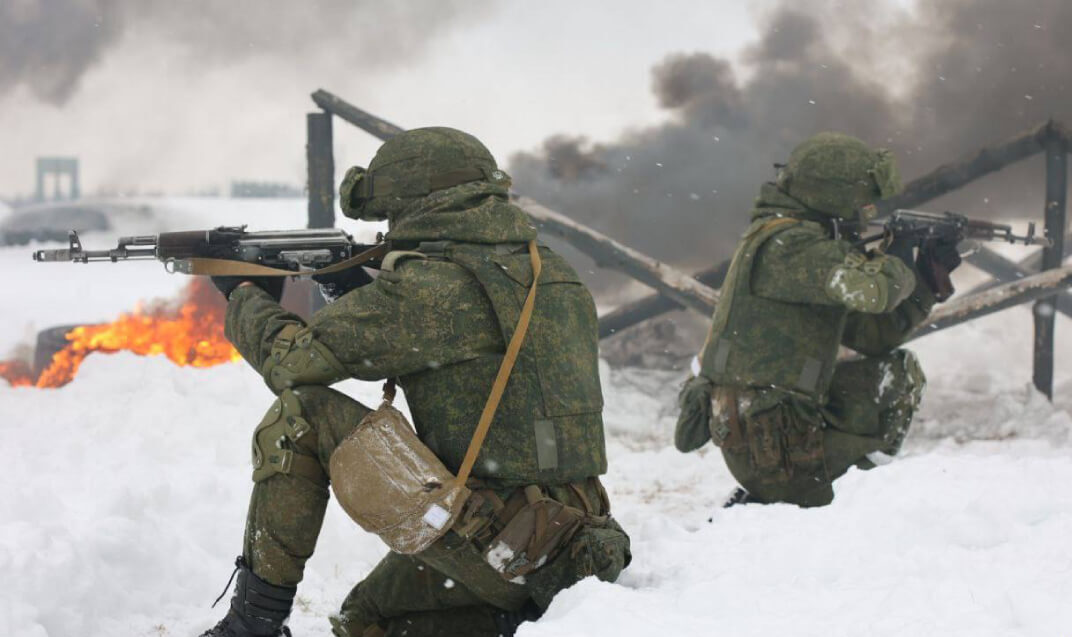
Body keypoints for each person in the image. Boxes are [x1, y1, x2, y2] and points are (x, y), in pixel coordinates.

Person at [204, 127, 630, 637]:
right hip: (575, 541)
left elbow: (289, 365)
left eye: (388, 215)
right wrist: (358, 290)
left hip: (496, 543)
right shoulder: (554, 272)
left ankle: (251, 628)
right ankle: (519, 617)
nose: (387, 227)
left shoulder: (432, 287)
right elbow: (464, 347)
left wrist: (244, 293)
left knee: (301, 416)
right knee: (366, 619)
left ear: (412, 202)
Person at [675, 132, 959, 508]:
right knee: (898, 377)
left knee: (894, 369)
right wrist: (898, 257)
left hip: (772, 434)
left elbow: (874, 336)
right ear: (833, 195)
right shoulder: (792, 247)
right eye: (862, 198)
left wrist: (924, 278)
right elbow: (877, 291)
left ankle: (809, 491)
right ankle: (842, 501)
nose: (866, 208)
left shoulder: (799, 247)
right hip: (773, 448)